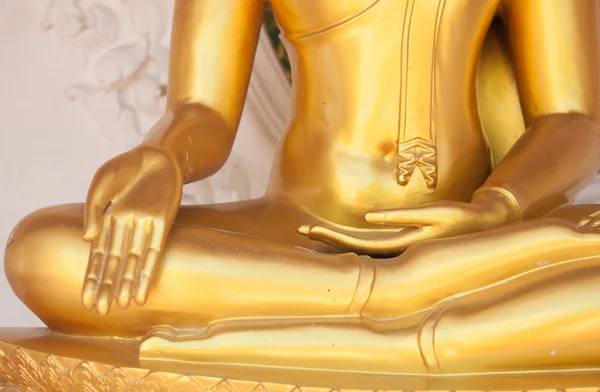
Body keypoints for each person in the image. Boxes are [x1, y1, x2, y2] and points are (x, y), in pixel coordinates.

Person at [5, 0, 600, 374]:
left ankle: (404, 293)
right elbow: (203, 109)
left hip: (469, 235)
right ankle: (394, 291)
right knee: (47, 252)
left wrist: (498, 209)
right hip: (299, 226)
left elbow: (574, 119)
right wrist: (162, 157)